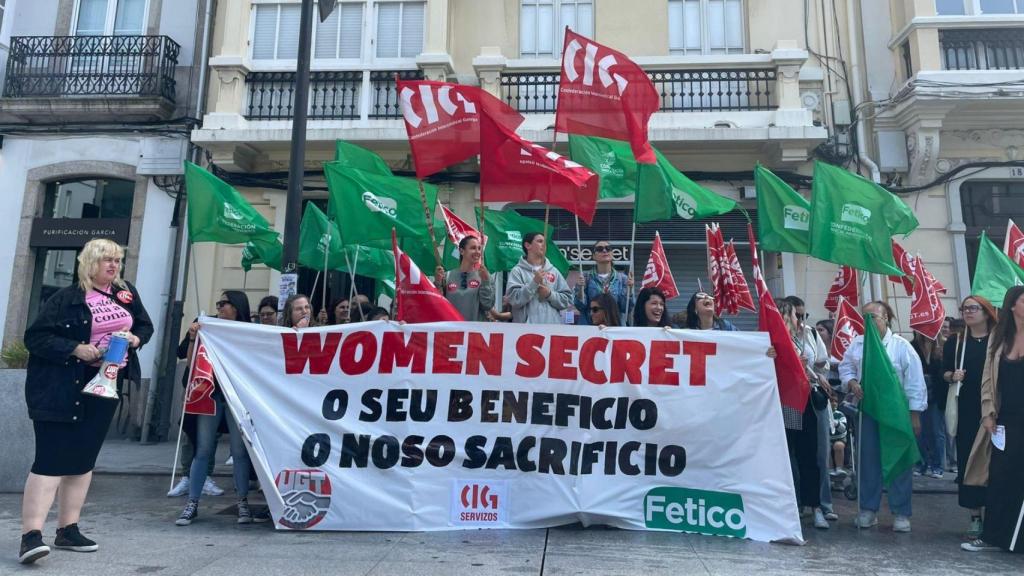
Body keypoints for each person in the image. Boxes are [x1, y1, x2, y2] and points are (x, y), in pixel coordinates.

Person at [19, 239, 153, 564]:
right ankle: (30, 536)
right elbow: (35, 338)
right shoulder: (65, 299)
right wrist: (74, 348)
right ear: (89, 262)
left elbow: (145, 326)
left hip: (104, 388)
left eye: (117, 261)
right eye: (106, 260)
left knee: (82, 461)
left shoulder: (126, 293)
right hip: (60, 388)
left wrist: (136, 339)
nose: (113, 266)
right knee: (50, 461)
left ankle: (68, 529)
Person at [176, 291, 264, 527]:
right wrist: (194, 337)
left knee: (239, 451)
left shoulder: (250, 330)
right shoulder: (209, 326)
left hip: (237, 398)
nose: (219, 308)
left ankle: (242, 502)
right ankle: (192, 503)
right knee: (203, 449)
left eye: (223, 303)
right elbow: (191, 360)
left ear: (236, 307)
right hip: (212, 393)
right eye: (218, 304)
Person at [840, 301, 926, 533]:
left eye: (874, 317)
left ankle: (901, 512)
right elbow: (845, 367)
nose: (869, 321)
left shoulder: (901, 346)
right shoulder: (858, 345)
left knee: (899, 460)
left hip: (896, 413)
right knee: (868, 461)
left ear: (886, 317)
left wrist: (915, 414)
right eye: (865, 317)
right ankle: (868, 509)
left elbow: (915, 382)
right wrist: (852, 382)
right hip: (868, 410)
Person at [962, 286, 1024, 553]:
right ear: (1012, 305)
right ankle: (992, 536)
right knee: (1000, 475)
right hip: (1006, 419)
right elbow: (988, 378)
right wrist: (988, 413)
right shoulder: (999, 337)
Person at [944, 296, 996, 539]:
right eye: (965, 308)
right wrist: (952, 375)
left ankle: (995, 514)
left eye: (973, 308)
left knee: (994, 461)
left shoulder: (998, 341)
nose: (968, 312)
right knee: (969, 460)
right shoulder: (955, 342)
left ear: (986, 312)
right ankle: (975, 516)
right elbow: (941, 372)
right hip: (966, 408)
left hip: (994, 408)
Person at [778, 298, 826, 530]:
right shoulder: (773, 340)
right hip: (784, 402)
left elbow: (821, 364)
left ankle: (815, 505)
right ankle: (792, 503)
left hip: (805, 401)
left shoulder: (809, 335)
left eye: (802, 315)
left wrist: (810, 368)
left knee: (810, 454)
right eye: (796, 315)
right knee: (788, 455)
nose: (800, 320)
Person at [506, 232, 573, 324]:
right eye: (540, 241)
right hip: (526, 331)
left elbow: (567, 300)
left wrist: (549, 294)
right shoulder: (517, 271)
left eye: (545, 242)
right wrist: (533, 283)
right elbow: (514, 300)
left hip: (550, 330)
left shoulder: (554, 271)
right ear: (528, 245)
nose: (544, 245)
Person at [435, 235, 495, 322]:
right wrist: (437, 282)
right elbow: (438, 305)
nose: (477, 252)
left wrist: (485, 282)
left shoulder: (485, 275)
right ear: (461, 251)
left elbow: (488, 305)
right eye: (473, 248)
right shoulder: (447, 276)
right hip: (452, 331)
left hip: (475, 332)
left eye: (479, 248)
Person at [913, 331, 947, 479]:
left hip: (936, 394)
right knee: (919, 432)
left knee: (936, 431)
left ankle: (937, 465)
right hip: (919, 393)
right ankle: (922, 463)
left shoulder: (943, 345)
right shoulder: (912, 345)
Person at [573, 240, 632, 325]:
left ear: (612, 254)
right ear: (594, 256)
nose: (604, 251)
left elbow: (626, 308)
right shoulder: (585, 278)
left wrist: (629, 289)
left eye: (608, 248)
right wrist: (580, 289)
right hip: (591, 328)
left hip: (614, 329)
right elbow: (580, 306)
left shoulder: (623, 279)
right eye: (600, 249)